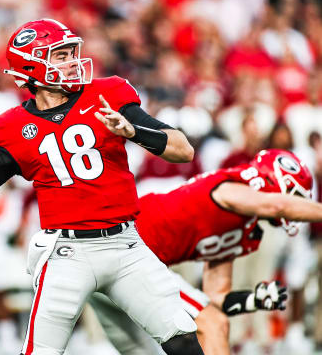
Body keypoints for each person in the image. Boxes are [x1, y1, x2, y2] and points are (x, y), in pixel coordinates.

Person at [0, 18, 203, 355]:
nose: (72, 61)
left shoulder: (107, 94)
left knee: (183, 339)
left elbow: (183, 149)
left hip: (125, 245)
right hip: (67, 253)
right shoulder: (13, 128)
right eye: (60, 55)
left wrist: (134, 132)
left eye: (70, 53)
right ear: (31, 68)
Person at [89, 148, 321, 355]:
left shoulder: (243, 228)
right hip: (127, 252)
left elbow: (216, 295)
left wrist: (254, 300)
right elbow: (277, 205)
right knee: (212, 323)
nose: (297, 206)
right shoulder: (231, 187)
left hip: (120, 259)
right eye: (293, 195)